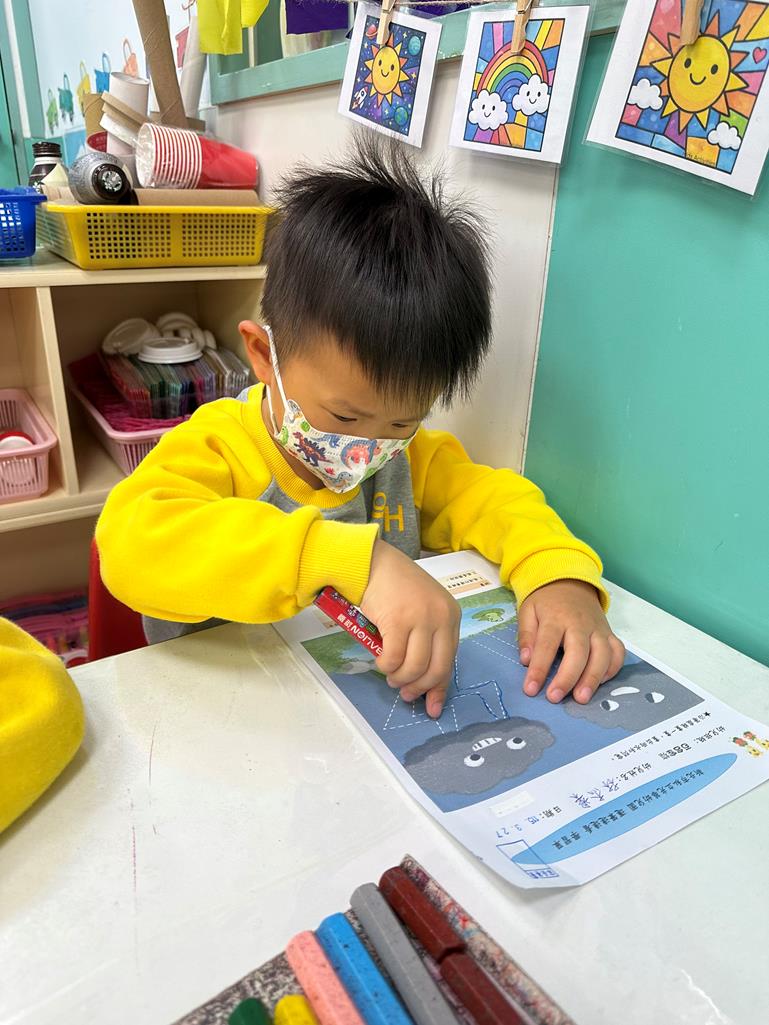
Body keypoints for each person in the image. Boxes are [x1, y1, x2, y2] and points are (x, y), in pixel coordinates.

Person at [96, 137, 625, 718]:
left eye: (403, 420)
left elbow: (494, 499)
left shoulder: (406, 458)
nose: (367, 447)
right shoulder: (220, 446)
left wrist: (557, 575)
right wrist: (355, 562)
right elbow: (129, 543)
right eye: (345, 416)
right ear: (265, 356)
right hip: (219, 716)